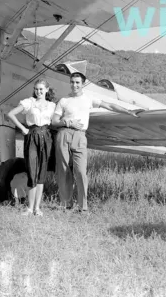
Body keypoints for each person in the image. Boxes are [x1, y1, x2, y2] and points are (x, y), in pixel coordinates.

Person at [51, 72, 141, 212]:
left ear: (83, 84)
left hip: (80, 136)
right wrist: (66, 121)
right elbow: (54, 121)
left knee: (80, 171)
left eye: (77, 82)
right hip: (64, 134)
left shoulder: (88, 99)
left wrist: (128, 111)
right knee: (63, 170)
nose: (74, 85)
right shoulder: (64, 100)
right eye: (72, 82)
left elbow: (109, 106)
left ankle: (83, 207)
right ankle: (65, 203)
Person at [6, 78, 57, 217]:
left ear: (47, 90)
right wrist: (23, 128)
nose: (38, 91)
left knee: (41, 173)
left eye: (41, 89)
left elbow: (56, 120)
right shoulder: (29, 102)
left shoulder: (52, 106)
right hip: (32, 136)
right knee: (32, 171)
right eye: (36, 89)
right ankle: (29, 208)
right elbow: (10, 114)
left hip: (46, 137)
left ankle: (37, 208)